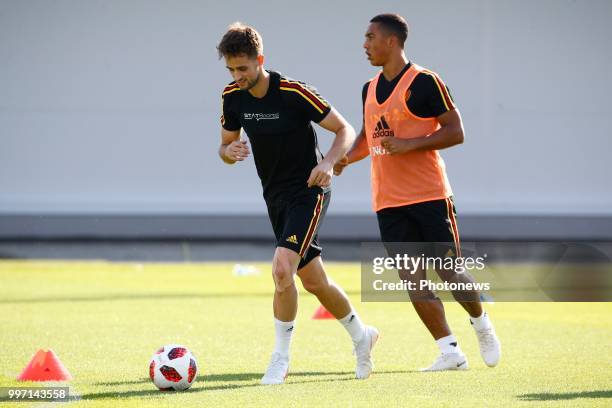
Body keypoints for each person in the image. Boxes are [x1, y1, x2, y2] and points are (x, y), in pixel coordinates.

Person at [334, 14, 500, 371]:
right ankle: (450, 351)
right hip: (388, 202)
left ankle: (482, 324)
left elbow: (456, 132)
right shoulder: (368, 88)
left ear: (391, 41)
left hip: (429, 196)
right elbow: (369, 138)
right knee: (412, 280)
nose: (364, 44)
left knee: (450, 272)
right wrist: (343, 160)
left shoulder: (425, 82)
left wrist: (409, 144)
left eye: (370, 37)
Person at [216, 22, 378, 384]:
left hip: (310, 189)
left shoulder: (292, 91)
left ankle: (280, 359)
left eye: (243, 68)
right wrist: (231, 150)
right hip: (274, 197)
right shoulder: (232, 97)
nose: (237, 76)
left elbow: (344, 129)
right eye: (231, 69)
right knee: (314, 281)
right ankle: (362, 336)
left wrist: (327, 164)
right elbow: (224, 147)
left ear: (260, 60)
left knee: (280, 270)